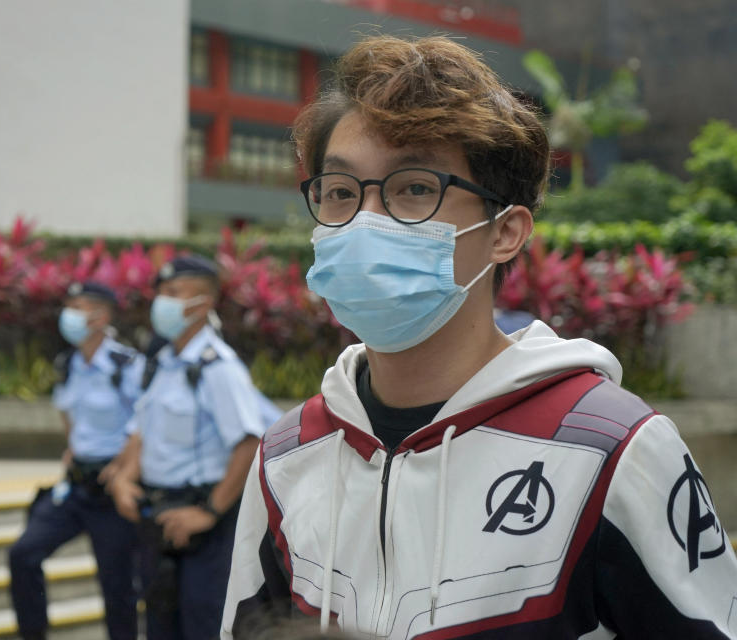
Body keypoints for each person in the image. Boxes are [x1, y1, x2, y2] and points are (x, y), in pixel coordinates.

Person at [223, 35, 737, 639]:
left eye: (414, 188)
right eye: (339, 192)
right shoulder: (288, 455)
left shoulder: (612, 449)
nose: (364, 220)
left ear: (506, 232)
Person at [108, 255, 275, 640]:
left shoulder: (219, 367)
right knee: (160, 624)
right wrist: (123, 479)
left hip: (204, 523)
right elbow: (141, 430)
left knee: (203, 625)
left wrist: (209, 511)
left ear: (201, 305)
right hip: (159, 518)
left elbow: (249, 443)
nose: (160, 303)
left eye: (172, 294)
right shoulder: (161, 363)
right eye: (160, 293)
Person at [8, 282, 146, 640]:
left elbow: (145, 420)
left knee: (117, 591)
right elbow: (67, 414)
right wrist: (73, 449)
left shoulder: (126, 365)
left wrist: (121, 467)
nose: (68, 315)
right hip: (75, 488)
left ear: (101, 316)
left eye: (79, 307)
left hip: (110, 487)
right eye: (68, 305)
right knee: (23, 554)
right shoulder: (68, 364)